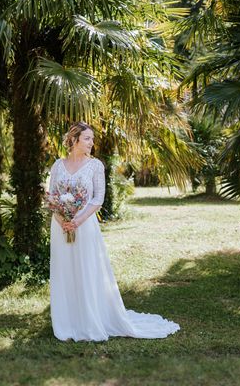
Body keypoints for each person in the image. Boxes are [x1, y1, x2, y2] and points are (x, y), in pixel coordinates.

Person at [48, 122, 180, 341]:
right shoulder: (57, 165)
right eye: (87, 138)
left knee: (87, 270)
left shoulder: (95, 166)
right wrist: (63, 220)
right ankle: (68, 322)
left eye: (92, 138)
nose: (92, 143)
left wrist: (77, 221)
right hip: (61, 226)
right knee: (65, 271)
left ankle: (90, 320)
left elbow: (98, 199)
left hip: (85, 225)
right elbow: (52, 196)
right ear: (74, 140)